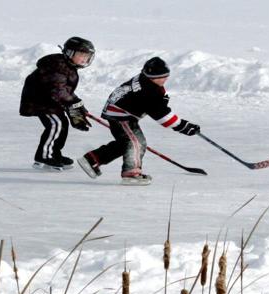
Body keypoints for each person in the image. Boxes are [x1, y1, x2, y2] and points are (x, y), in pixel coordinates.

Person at [79, 57, 200, 185]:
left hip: (118, 112)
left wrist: (161, 101)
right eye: (160, 77)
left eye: (165, 76)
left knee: (126, 144)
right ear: (150, 77)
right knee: (137, 143)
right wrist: (183, 126)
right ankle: (131, 173)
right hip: (121, 115)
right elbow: (162, 116)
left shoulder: (146, 81)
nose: (164, 79)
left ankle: (92, 159)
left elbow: (156, 105)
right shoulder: (148, 91)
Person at [20, 37, 96, 172]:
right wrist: (74, 104)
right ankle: (44, 156)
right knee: (56, 125)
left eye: (87, 56)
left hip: (51, 102)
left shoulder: (68, 67)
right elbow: (58, 91)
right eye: (81, 55)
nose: (84, 59)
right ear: (69, 53)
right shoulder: (57, 66)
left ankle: (53, 153)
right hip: (40, 101)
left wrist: (77, 110)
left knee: (62, 124)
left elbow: (65, 92)